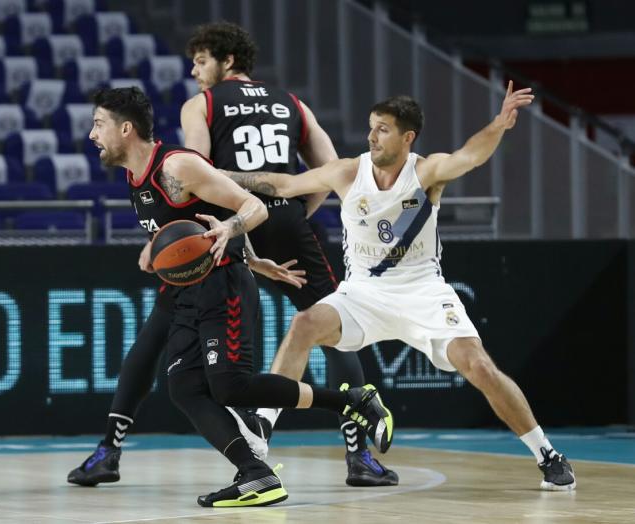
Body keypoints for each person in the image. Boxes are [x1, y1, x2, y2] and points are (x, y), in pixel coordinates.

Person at [227, 82, 577, 491]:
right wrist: (218, 174)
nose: (372, 136)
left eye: (383, 129)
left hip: (423, 291)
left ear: (407, 137)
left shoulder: (425, 172)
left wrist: (499, 125)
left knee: (480, 366)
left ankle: (547, 454)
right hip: (362, 294)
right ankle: (262, 431)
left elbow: (471, 156)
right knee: (304, 323)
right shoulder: (348, 171)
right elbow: (283, 185)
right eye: (371, 128)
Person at [70, 86, 394, 507]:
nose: (92, 134)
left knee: (230, 387)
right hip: (191, 290)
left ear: (125, 129)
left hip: (223, 288)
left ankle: (353, 401)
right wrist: (253, 258)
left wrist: (235, 240)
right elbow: (206, 226)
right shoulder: (136, 176)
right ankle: (255, 474)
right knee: (184, 387)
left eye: (99, 124)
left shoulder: (177, 166)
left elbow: (251, 208)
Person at [178, 21, 396, 487]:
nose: (194, 71)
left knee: (216, 350)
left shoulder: (202, 104)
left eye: (200, 61)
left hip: (232, 223)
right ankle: (359, 455)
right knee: (336, 329)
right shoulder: (292, 102)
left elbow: (194, 173)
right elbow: (332, 167)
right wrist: (292, 211)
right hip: (291, 221)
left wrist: (238, 221)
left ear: (227, 60)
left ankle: (254, 439)